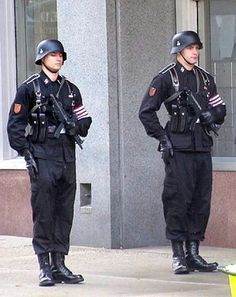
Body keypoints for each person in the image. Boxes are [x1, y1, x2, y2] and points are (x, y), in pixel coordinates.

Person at [139, 31, 226, 274]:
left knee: (201, 201)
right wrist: (163, 138)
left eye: (197, 48)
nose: (195, 52)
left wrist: (213, 114)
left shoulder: (206, 79)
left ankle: (193, 252)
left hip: (201, 146)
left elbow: (220, 107)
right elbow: (146, 111)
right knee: (178, 200)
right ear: (179, 51)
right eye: (190, 48)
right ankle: (178, 254)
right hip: (178, 148)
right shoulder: (166, 78)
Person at [7, 39, 92, 286]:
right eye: (53, 55)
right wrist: (26, 152)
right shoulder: (29, 89)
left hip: (66, 157)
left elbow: (84, 120)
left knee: (64, 212)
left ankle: (59, 264)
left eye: (61, 55)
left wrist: (76, 125)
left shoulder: (71, 90)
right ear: (42, 58)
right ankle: (44, 266)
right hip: (42, 156)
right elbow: (15, 126)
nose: (58, 59)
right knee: (44, 212)